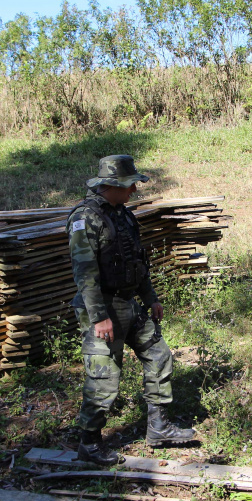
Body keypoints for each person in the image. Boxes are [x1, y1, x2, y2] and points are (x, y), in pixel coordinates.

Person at [67, 154, 195, 466]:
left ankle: (158, 427)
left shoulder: (122, 215)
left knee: (159, 354)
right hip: (102, 308)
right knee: (104, 376)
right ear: (111, 185)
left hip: (129, 304)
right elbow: (85, 274)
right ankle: (89, 444)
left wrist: (150, 297)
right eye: (130, 185)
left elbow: (136, 261)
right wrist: (99, 317)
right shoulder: (85, 219)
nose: (134, 191)